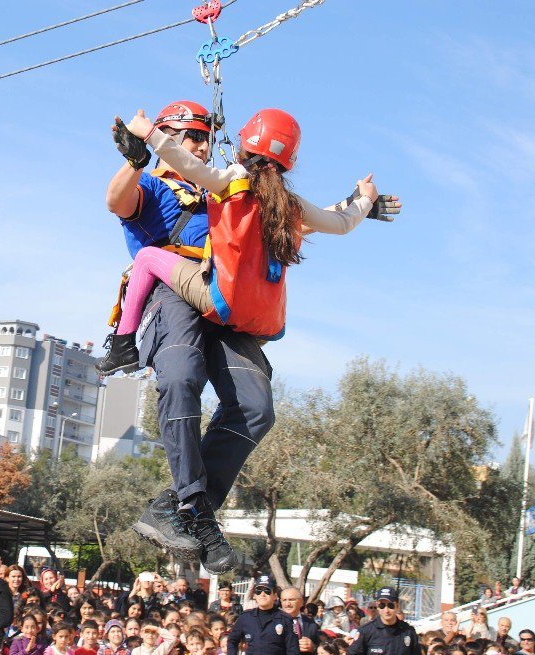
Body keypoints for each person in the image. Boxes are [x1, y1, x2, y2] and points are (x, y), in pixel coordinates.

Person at [106, 102, 400, 575]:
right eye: (190, 136)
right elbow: (116, 201)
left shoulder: (247, 190)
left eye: (206, 136)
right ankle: (197, 510)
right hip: (179, 293)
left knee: (256, 408)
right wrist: (135, 160)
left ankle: (176, 505)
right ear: (167, 136)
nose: (201, 144)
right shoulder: (159, 186)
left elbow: (319, 218)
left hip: (228, 302)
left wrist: (359, 205)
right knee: (181, 377)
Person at [226, 575, 297, 655]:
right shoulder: (245, 618)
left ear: (275, 595)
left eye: (267, 591)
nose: (262, 594)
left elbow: (293, 649)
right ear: (254, 595)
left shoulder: (285, 620)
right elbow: (232, 641)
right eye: (258, 591)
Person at [346, 588, 418, 655]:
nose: (386, 610)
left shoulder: (408, 632)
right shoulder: (366, 631)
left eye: (391, 605)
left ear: (397, 607)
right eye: (382, 605)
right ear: (378, 607)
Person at [279, 588, 318, 654]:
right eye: (284, 600)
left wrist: (313, 647)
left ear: (301, 602)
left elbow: (319, 645)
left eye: (291, 600)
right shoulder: (273, 621)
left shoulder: (311, 623)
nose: (287, 604)